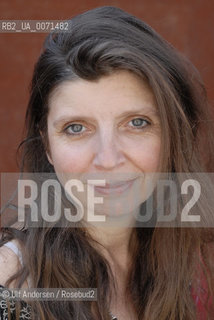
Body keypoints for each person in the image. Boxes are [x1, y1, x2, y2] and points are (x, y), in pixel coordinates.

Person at [0, 5, 214, 320]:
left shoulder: (183, 264)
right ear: (46, 145)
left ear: (173, 133)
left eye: (137, 123)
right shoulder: (12, 289)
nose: (108, 159)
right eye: (76, 128)